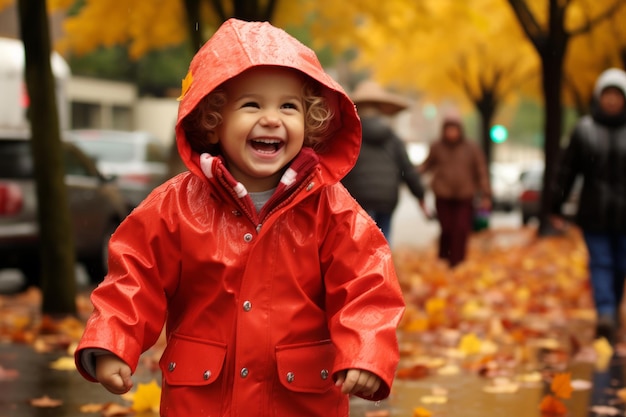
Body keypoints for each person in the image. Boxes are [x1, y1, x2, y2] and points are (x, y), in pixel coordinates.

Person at [73, 18, 406, 417]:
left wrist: (366, 350)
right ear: (213, 118)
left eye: (289, 106)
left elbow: (367, 285)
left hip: (299, 400)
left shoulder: (330, 209)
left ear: (310, 119)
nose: (271, 118)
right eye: (252, 104)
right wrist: (112, 341)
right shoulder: (176, 206)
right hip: (203, 400)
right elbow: (134, 277)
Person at [551, 67, 626, 343]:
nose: (611, 100)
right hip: (594, 213)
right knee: (602, 263)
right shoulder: (584, 130)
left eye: (617, 95)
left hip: (624, 216)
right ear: (599, 97)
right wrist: (555, 205)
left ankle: (613, 308)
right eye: (607, 94)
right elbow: (566, 171)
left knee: (621, 264)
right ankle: (605, 312)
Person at [342, 80, 428, 243]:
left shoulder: (348, 138)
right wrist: (420, 196)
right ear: (381, 110)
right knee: (382, 243)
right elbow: (408, 170)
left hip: (356, 197)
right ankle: (382, 267)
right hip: (386, 199)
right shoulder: (393, 139)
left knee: (359, 244)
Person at [419, 116, 491, 267]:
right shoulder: (437, 146)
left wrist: (486, 194)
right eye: (448, 129)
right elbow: (427, 165)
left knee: (461, 229)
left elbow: (481, 171)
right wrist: (410, 174)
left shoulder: (471, 148)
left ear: (460, 130)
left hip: (465, 195)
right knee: (446, 228)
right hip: (443, 195)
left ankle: (458, 261)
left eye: (454, 129)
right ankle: (444, 257)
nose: (451, 133)